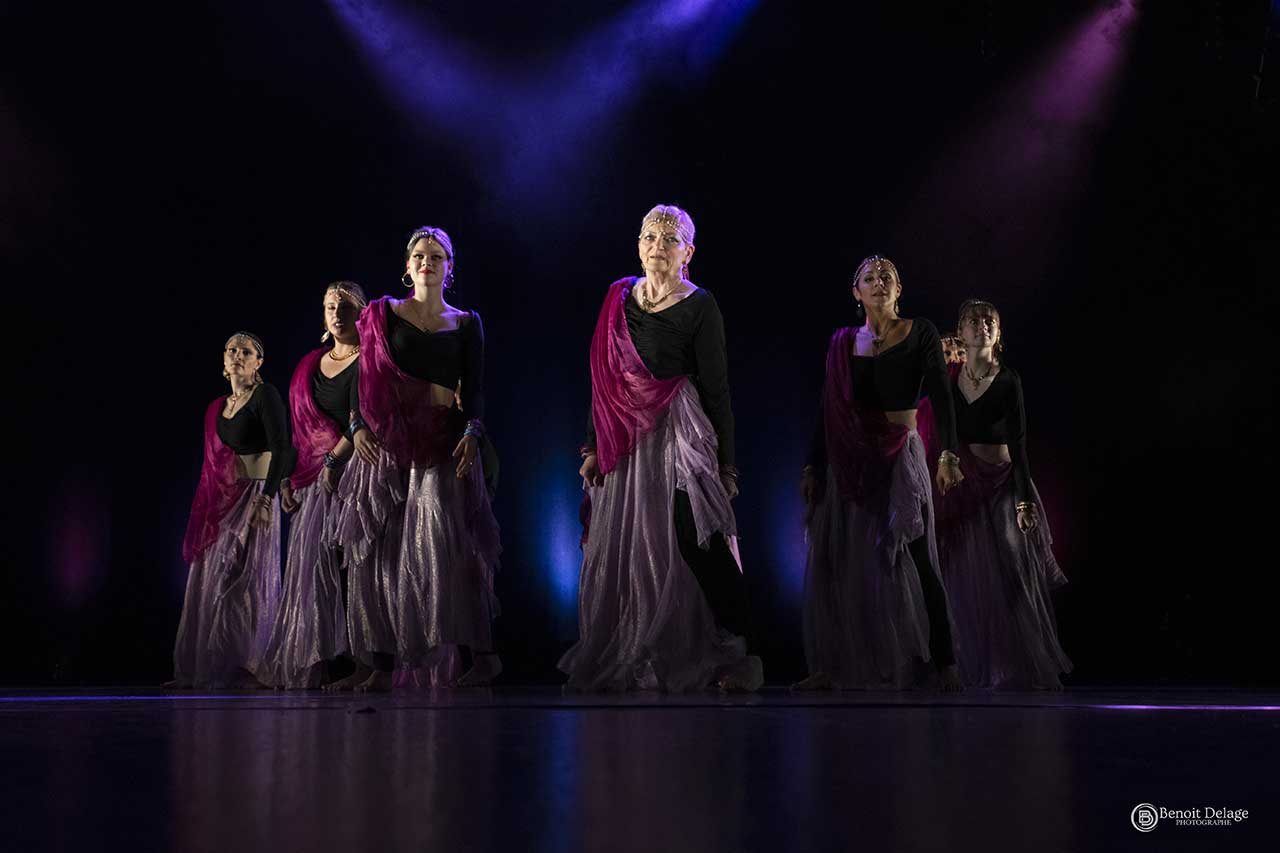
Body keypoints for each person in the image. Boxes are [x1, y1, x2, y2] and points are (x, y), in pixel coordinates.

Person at [560, 204, 762, 692]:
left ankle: (745, 651)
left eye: (670, 239)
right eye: (650, 237)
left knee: (697, 535)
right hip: (627, 435)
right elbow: (603, 380)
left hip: (680, 431)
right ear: (638, 246)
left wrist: (727, 466)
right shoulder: (618, 298)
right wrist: (592, 446)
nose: (658, 246)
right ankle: (639, 653)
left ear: (687, 253)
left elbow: (717, 389)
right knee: (630, 545)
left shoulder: (700, 305)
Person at [330, 227, 501, 691]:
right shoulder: (381, 314)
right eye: (420, 255)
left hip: (442, 441)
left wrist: (472, 430)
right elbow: (361, 378)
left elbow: (475, 387)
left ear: (450, 267)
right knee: (383, 551)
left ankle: (481, 657)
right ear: (407, 266)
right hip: (388, 443)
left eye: (436, 256)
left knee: (449, 548)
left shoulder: (466, 323)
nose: (427, 261)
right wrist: (356, 427)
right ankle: (382, 665)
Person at [798, 255, 965, 690]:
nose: (878, 283)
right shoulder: (842, 343)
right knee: (842, 560)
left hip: (899, 453)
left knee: (916, 553)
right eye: (869, 278)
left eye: (886, 277)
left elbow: (941, 396)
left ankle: (944, 663)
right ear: (857, 292)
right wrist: (813, 464)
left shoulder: (920, 332)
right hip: (850, 458)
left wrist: (948, 455)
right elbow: (828, 407)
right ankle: (834, 665)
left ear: (898, 288)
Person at [935, 299, 1071, 688]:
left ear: (998, 333)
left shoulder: (1009, 380)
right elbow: (943, 426)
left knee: (1013, 564)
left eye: (989, 321)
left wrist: (1024, 500)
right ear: (961, 331)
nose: (982, 325)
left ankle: (1022, 661)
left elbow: (1019, 444)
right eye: (974, 320)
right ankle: (971, 662)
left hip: (1003, 482)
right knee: (966, 572)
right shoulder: (950, 379)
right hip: (965, 484)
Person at [256, 282, 367, 689]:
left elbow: (366, 418)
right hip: (309, 479)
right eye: (330, 306)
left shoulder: (370, 360)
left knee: (356, 567)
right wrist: (287, 478)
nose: (337, 313)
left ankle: (363, 662)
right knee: (313, 573)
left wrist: (334, 461)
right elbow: (297, 435)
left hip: (355, 473)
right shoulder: (308, 365)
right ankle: (319, 660)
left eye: (345, 306)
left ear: (361, 313)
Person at [172, 332, 289, 688]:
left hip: (255, 498)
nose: (238, 355)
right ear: (224, 360)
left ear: (258, 363)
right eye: (232, 350)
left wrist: (267, 499)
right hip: (223, 502)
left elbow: (283, 449)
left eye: (246, 351)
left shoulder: (265, 395)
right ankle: (204, 669)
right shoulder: (216, 408)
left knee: (244, 581)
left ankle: (249, 666)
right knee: (212, 580)